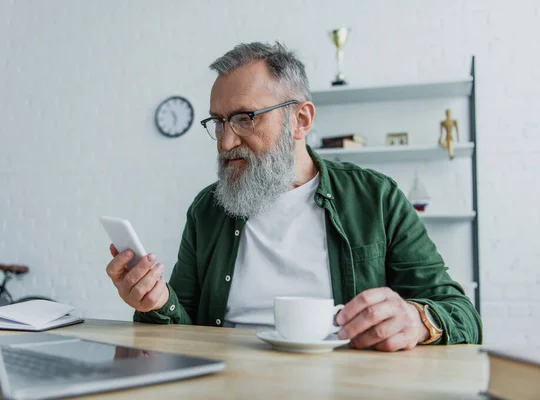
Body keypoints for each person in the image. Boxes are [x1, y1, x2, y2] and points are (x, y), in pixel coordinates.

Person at [106, 42, 482, 352]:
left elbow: (461, 312)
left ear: (301, 120)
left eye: (244, 118)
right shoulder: (208, 208)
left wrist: (418, 320)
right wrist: (156, 303)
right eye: (218, 122)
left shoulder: (376, 197)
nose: (225, 141)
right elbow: (184, 324)